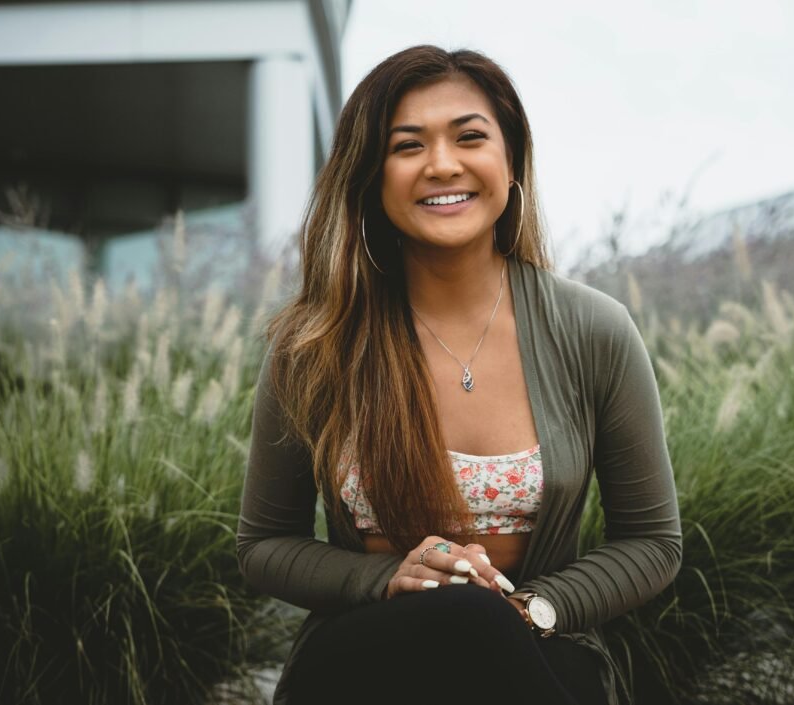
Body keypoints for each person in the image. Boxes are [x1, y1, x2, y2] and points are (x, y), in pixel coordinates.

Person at [237, 45, 682, 705]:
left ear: (510, 162)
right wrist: (388, 578)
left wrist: (534, 608)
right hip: (365, 657)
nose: (443, 164)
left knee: (484, 624)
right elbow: (265, 544)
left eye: (470, 137)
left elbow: (653, 542)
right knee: (464, 617)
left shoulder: (594, 330)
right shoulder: (317, 341)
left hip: (542, 648)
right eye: (407, 145)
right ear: (371, 176)